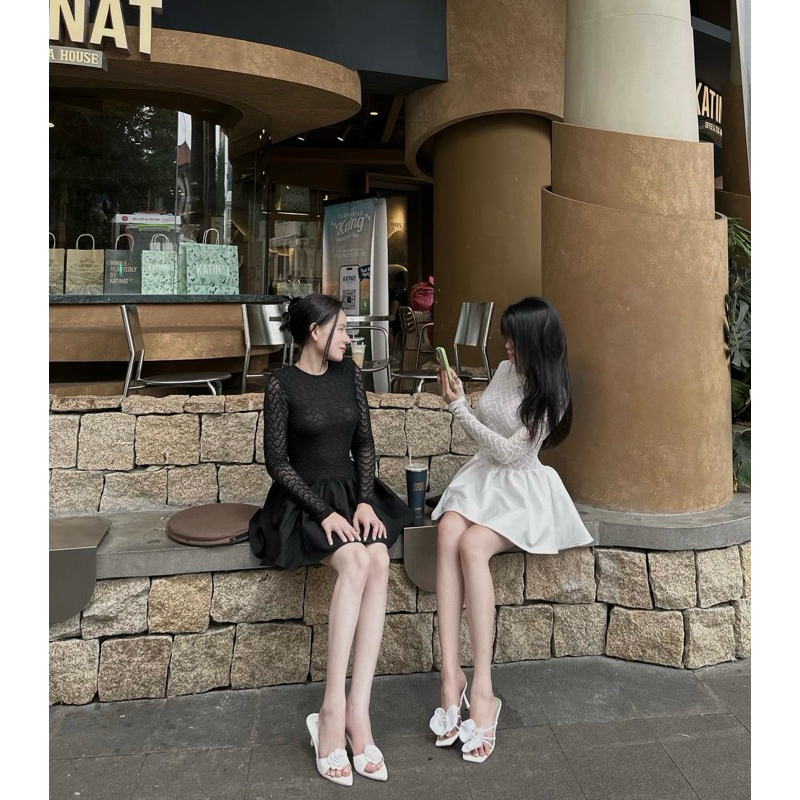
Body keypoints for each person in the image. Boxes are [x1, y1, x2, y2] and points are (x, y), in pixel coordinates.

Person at [248, 293, 414, 786]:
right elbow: (277, 463)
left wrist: (362, 501)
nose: (348, 336)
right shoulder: (281, 384)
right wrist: (323, 513)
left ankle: (358, 712)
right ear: (315, 331)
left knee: (378, 558)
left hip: (350, 495)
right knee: (357, 562)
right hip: (302, 503)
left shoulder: (350, 374)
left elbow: (364, 443)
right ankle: (330, 711)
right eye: (341, 328)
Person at [429, 296, 593, 763]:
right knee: (447, 532)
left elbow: (509, 452)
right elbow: (489, 425)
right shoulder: (504, 370)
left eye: (514, 339)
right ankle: (450, 679)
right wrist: (464, 398)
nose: (505, 345)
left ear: (535, 343)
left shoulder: (552, 395)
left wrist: (457, 408)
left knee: (472, 545)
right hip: (483, 478)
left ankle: (483, 689)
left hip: (521, 489)